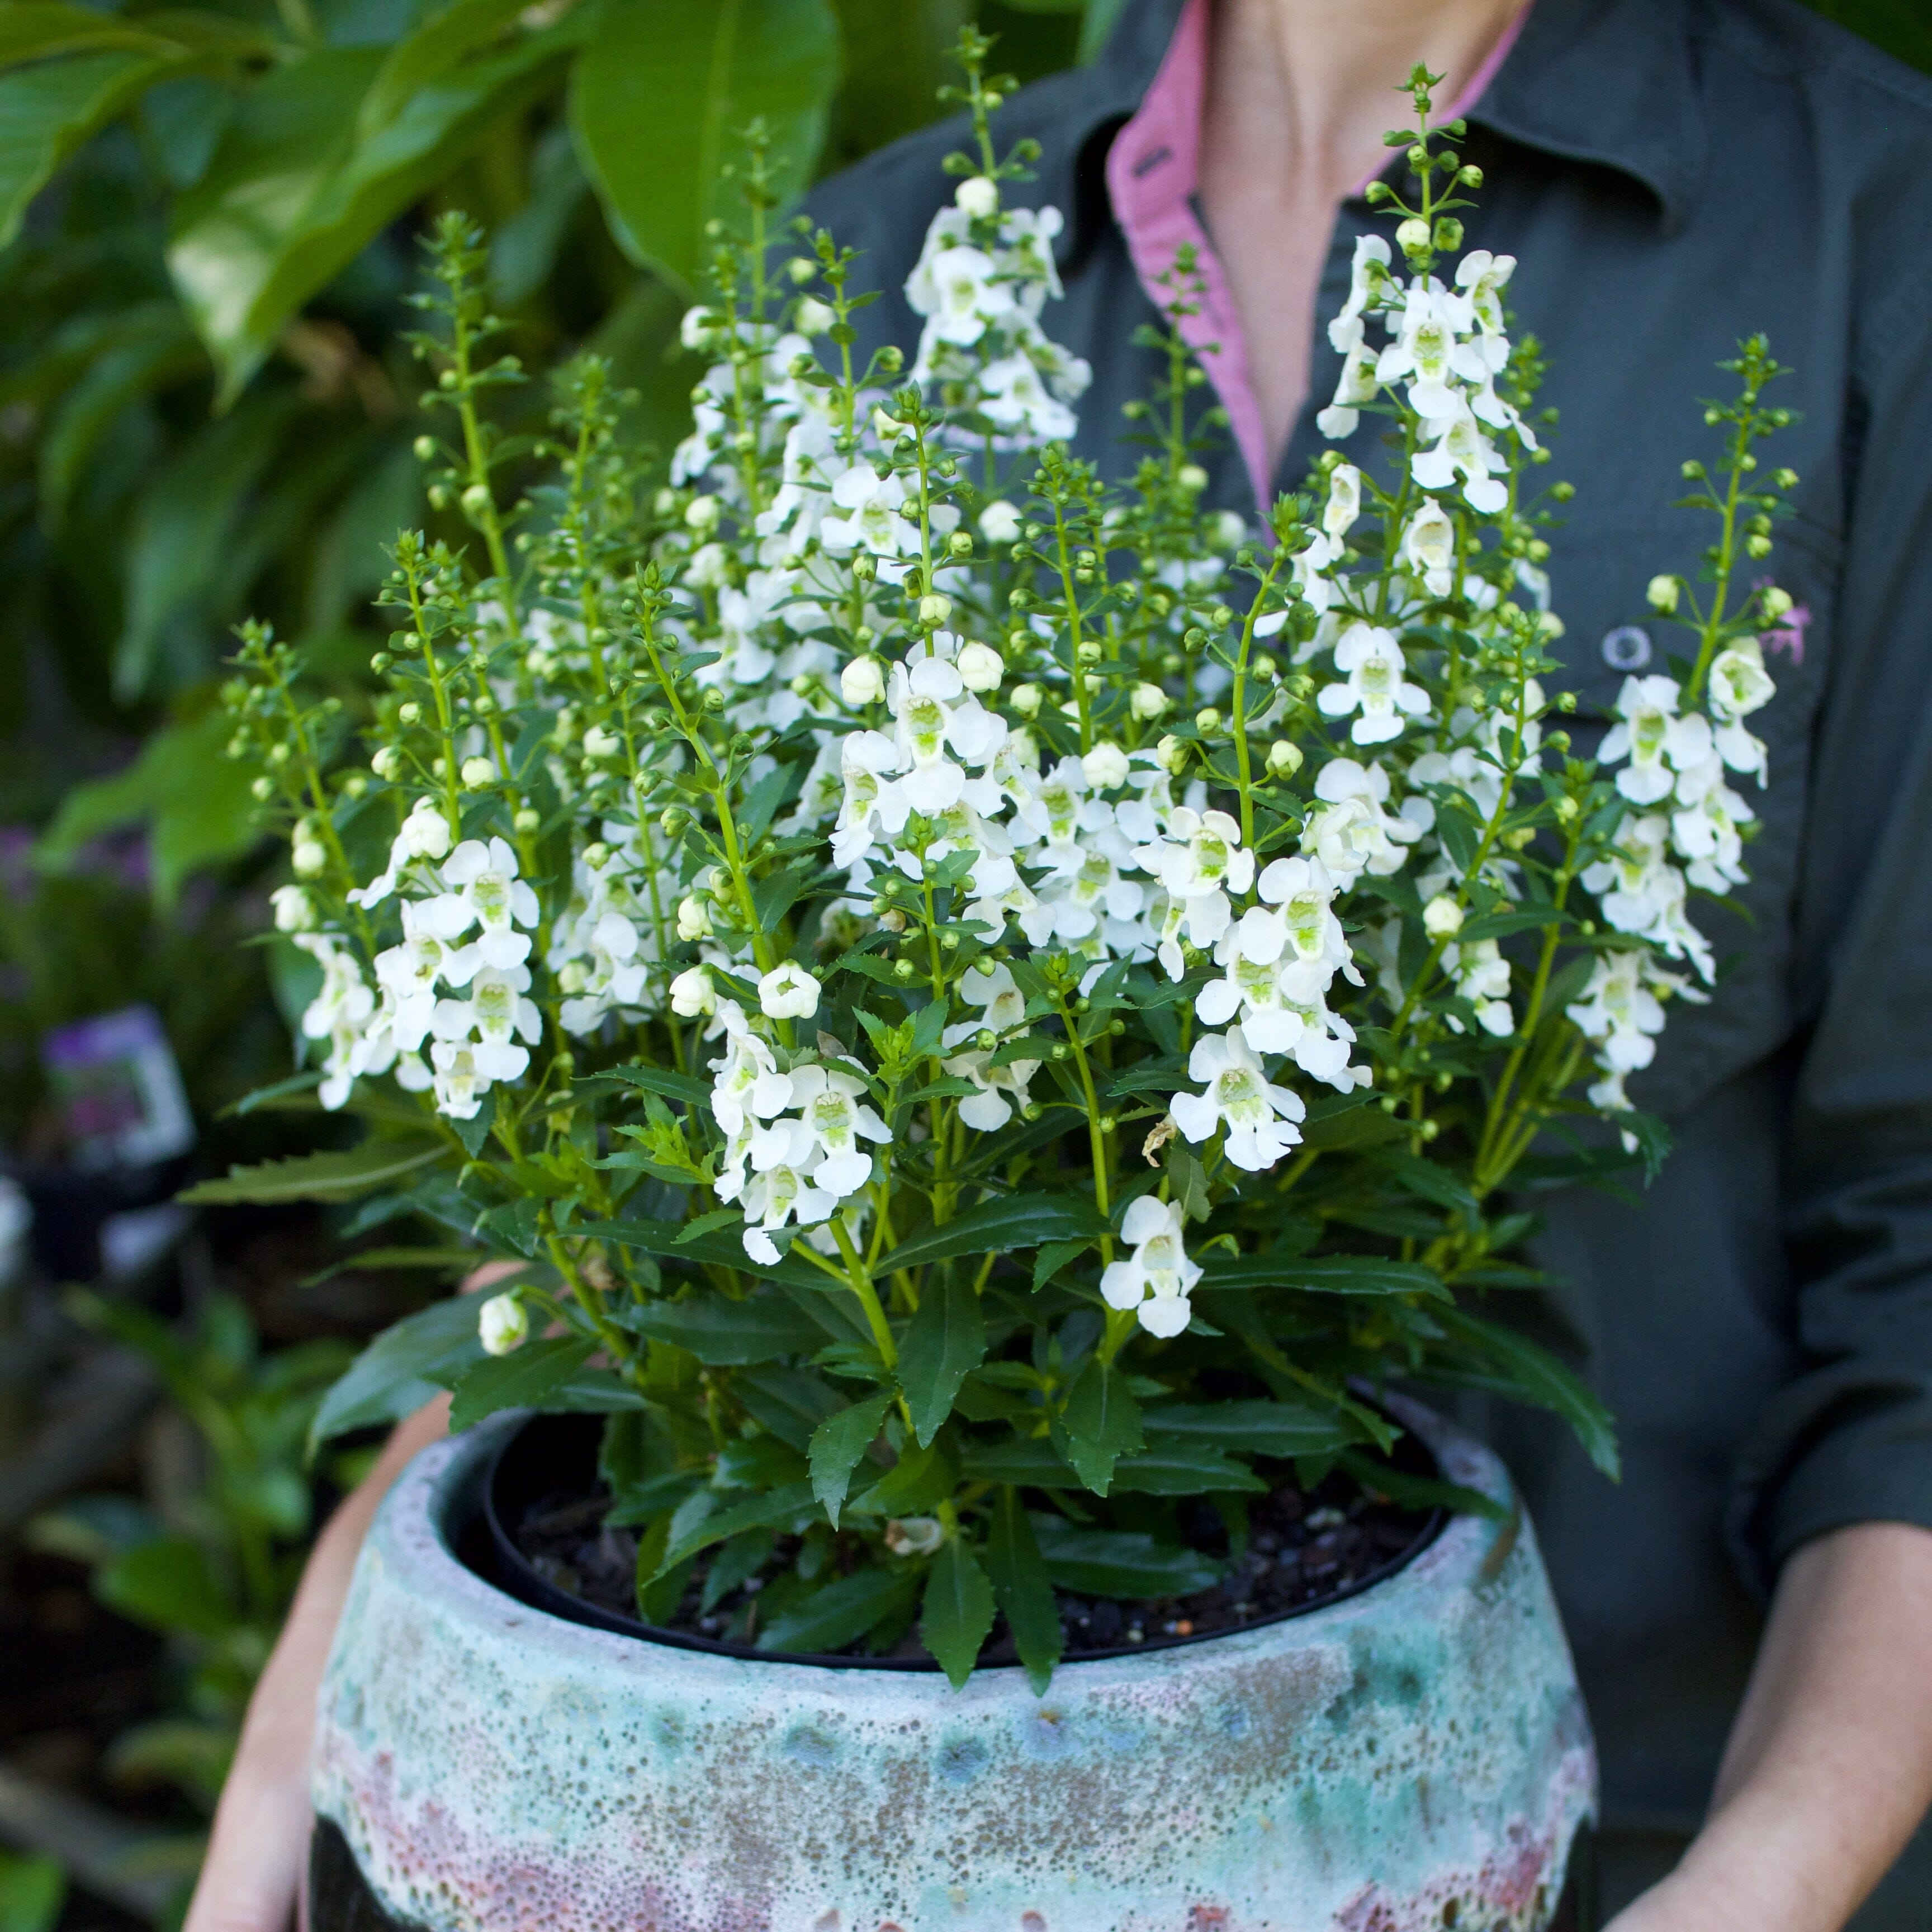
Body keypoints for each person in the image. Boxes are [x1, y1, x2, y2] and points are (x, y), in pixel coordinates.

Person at [184, 1, 1932, 1928]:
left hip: (1635, 1843)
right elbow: (651, 1169)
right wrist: (372, 1617)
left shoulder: (1878, 239)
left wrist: (1766, 1882)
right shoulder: (877, 271)